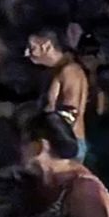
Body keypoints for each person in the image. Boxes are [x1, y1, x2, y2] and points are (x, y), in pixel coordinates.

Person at [25, 31, 92, 161]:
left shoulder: (70, 71)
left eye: (31, 47)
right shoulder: (56, 72)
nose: (27, 53)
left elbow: (70, 113)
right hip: (55, 144)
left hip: (64, 146)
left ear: (47, 46)